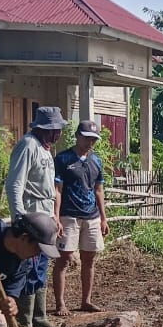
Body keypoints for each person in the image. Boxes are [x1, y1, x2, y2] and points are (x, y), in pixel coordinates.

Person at [6, 106, 65, 327]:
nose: (57, 133)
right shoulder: (28, 145)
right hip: (31, 216)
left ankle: (39, 317)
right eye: (54, 129)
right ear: (42, 128)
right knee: (28, 267)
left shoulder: (46, 149)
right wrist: (19, 217)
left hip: (45, 215)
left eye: (58, 129)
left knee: (41, 266)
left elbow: (49, 189)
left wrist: (54, 218)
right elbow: (15, 183)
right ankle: (25, 322)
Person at [52, 120, 110, 315]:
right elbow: (57, 189)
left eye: (93, 139)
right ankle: (60, 303)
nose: (89, 142)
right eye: (86, 137)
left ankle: (86, 300)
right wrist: (56, 216)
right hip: (69, 215)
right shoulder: (63, 159)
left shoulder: (96, 161)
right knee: (64, 259)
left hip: (91, 215)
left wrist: (103, 218)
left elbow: (99, 190)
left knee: (89, 259)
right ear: (77, 136)